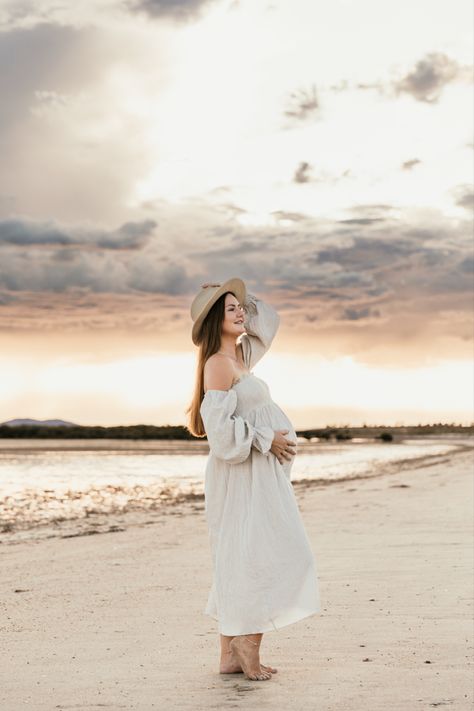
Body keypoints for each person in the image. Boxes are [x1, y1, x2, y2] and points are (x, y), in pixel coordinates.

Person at [185, 277, 320, 681]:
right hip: (243, 476)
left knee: (242, 554)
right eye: (231, 309)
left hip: (257, 474)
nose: (241, 312)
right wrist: (267, 439)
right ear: (214, 320)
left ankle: (228, 654)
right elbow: (222, 439)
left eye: (240, 307)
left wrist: (234, 295)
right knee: (261, 553)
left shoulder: (242, 355)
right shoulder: (218, 365)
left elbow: (270, 321)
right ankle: (247, 642)